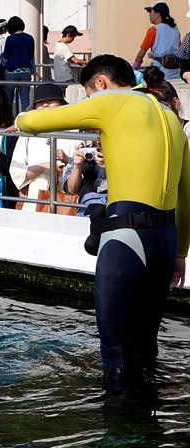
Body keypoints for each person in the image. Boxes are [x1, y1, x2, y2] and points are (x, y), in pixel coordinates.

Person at [16, 54, 190, 390]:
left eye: (90, 94)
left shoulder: (111, 101)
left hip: (127, 239)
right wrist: (181, 252)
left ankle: (119, 436)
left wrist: (20, 121)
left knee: (117, 357)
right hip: (165, 242)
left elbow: (36, 122)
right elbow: (186, 194)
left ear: (100, 83)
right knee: (146, 350)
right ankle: (149, 431)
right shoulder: (171, 119)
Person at [9, 83, 74, 211]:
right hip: (34, 201)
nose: (45, 105)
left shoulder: (73, 133)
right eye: (40, 102)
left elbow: (80, 174)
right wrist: (43, 166)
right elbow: (16, 170)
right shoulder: (27, 134)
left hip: (65, 203)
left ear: (62, 104)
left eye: (50, 101)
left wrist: (67, 162)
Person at [133, 2, 180, 80]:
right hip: (176, 73)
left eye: (151, 12)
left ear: (158, 14)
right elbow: (180, 49)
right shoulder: (176, 30)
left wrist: (134, 69)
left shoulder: (153, 30)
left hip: (160, 73)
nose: (149, 15)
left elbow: (141, 53)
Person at [2, 16, 35, 113]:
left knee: (8, 100)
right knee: (25, 100)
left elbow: (5, 56)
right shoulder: (29, 38)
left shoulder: (10, 39)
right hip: (25, 72)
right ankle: (24, 123)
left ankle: (8, 121)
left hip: (11, 73)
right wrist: (32, 71)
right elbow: (31, 56)